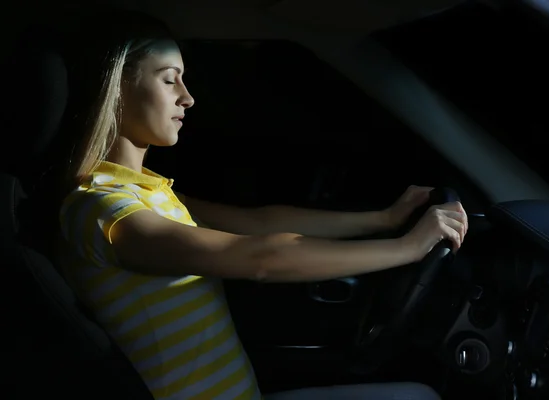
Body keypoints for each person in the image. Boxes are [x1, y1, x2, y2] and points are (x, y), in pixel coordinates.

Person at [59, 11, 467, 400]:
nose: (188, 98)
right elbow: (260, 257)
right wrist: (407, 248)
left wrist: (384, 219)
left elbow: (258, 223)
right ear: (118, 87)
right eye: (170, 81)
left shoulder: (146, 194)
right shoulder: (100, 209)